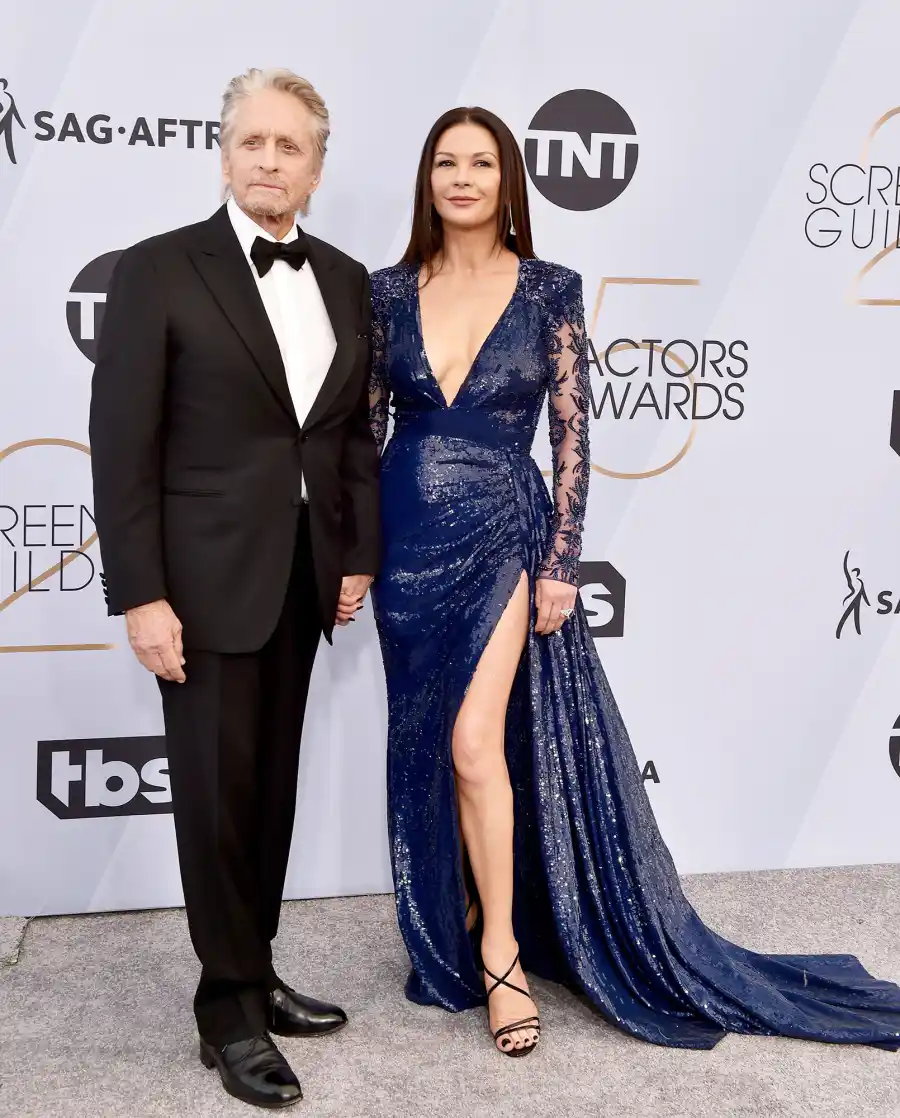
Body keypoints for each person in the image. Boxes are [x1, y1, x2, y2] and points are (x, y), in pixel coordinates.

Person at [368, 106, 900, 1058]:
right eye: (445, 162)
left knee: (473, 742)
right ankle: (458, 923)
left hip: (501, 541)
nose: (460, 178)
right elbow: (365, 435)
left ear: (506, 179)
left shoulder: (548, 289)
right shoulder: (386, 292)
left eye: (480, 162)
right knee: (431, 750)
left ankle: (500, 956)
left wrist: (560, 561)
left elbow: (573, 435)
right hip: (408, 549)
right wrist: (352, 553)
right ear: (426, 179)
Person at [89, 68, 379, 1108]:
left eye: (289, 146)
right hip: (198, 583)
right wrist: (140, 593)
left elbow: (349, 436)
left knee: (268, 794)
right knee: (214, 795)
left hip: (305, 576)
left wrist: (357, 556)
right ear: (223, 151)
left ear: (315, 164)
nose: (269, 160)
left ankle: (253, 968)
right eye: (252, 141)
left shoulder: (345, 278)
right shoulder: (159, 270)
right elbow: (122, 445)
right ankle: (228, 1014)